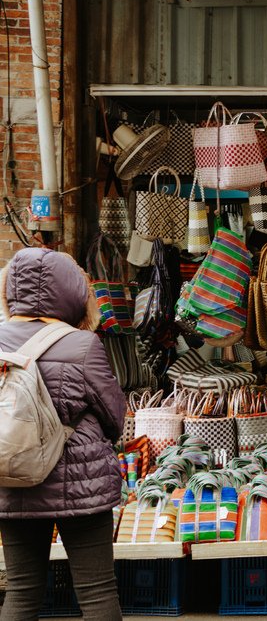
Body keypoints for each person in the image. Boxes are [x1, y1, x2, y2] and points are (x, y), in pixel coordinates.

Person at [0, 247, 126, 620]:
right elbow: (113, 416)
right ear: (72, 290)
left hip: (13, 475)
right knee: (97, 590)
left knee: (21, 592)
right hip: (82, 481)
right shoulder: (81, 344)